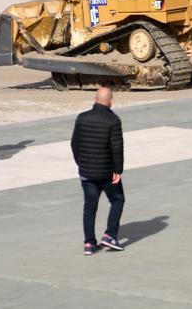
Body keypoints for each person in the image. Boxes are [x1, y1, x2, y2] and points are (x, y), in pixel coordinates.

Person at [71, 86, 125, 256]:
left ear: (95, 99)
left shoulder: (82, 118)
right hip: (106, 172)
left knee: (89, 207)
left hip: (86, 172)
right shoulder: (113, 120)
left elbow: (74, 144)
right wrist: (118, 170)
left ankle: (89, 244)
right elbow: (117, 147)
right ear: (110, 101)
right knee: (117, 199)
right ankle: (110, 235)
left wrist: (81, 163)